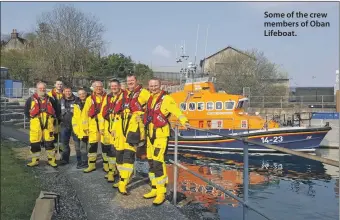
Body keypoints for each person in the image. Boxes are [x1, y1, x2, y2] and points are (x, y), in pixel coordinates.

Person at [142, 78, 189, 206]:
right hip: (150, 134)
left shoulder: (166, 99)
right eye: (151, 86)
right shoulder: (150, 99)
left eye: (155, 85)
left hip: (161, 135)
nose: (153, 87)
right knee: (151, 162)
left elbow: (176, 111)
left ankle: (161, 193)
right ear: (149, 86)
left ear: (160, 85)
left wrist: (184, 120)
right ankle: (154, 188)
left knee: (158, 162)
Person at [112, 74, 150, 195]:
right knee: (119, 156)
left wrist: (143, 118)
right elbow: (116, 113)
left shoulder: (144, 93)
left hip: (133, 129)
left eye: (132, 81)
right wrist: (113, 128)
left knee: (128, 156)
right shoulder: (124, 94)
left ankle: (123, 183)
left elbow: (152, 108)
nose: (130, 83)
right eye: (128, 81)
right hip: (119, 129)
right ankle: (123, 178)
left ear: (136, 81)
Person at [24, 81, 60, 167]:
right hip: (36, 126)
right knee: (35, 144)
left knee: (50, 143)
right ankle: (35, 160)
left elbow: (57, 111)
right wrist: (33, 121)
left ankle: (51, 160)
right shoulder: (30, 99)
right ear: (37, 89)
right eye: (40, 88)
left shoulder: (51, 99)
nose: (42, 90)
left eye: (43, 88)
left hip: (48, 126)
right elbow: (26, 112)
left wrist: (53, 122)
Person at [99, 79, 123, 182]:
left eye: (115, 86)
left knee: (119, 152)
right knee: (110, 152)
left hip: (119, 130)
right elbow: (101, 113)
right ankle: (111, 172)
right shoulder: (107, 97)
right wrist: (101, 127)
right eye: (112, 86)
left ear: (119, 86)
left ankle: (120, 173)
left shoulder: (124, 96)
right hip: (108, 128)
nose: (113, 88)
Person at [81, 81, 107, 173]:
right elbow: (84, 113)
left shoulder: (107, 97)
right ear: (93, 88)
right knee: (92, 146)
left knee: (105, 146)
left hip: (105, 125)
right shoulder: (89, 99)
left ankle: (106, 165)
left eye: (100, 86)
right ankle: (91, 165)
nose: (99, 88)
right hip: (93, 126)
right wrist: (85, 127)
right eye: (97, 87)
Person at [58, 86, 87, 168]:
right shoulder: (60, 101)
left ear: (72, 92)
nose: (68, 93)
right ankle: (65, 159)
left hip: (76, 126)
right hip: (64, 125)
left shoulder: (77, 100)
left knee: (77, 145)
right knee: (64, 144)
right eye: (66, 91)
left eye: (69, 91)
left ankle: (80, 161)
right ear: (63, 92)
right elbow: (57, 111)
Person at [72, 88, 90, 168]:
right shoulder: (76, 104)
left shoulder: (90, 101)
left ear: (86, 93)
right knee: (82, 148)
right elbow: (75, 118)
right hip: (81, 130)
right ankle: (84, 162)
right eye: (80, 94)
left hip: (90, 129)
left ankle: (90, 163)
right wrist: (76, 129)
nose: (82, 95)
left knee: (90, 148)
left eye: (83, 93)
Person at [48, 79, 64, 154]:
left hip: (62, 119)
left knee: (61, 137)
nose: (59, 86)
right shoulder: (50, 94)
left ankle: (61, 153)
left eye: (61, 84)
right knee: (53, 136)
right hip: (53, 119)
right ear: (55, 85)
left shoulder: (65, 94)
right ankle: (53, 154)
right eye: (58, 84)